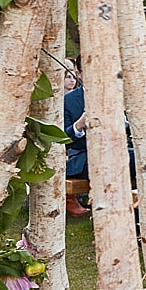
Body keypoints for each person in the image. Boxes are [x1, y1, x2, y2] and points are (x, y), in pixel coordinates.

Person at [62, 59, 91, 218]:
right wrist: (79, 125)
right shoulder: (69, 100)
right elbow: (63, 138)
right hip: (81, 155)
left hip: (118, 152)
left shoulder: (115, 95)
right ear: (79, 74)